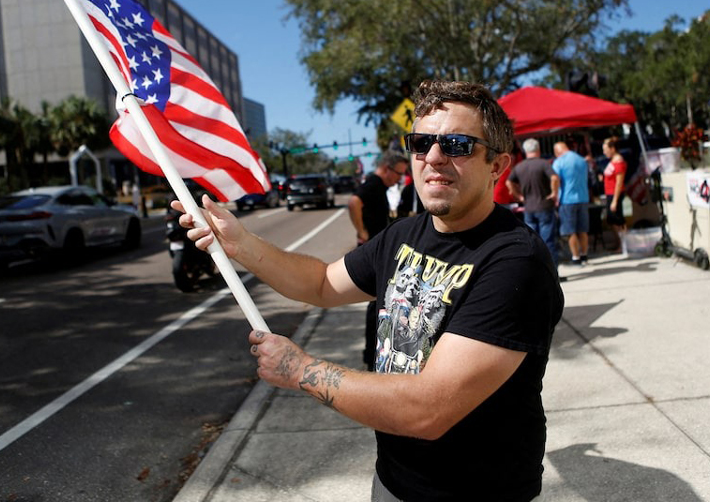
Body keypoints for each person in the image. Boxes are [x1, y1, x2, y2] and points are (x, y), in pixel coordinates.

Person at [175, 80, 564, 501]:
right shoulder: (403, 234)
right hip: (393, 480)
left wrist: (301, 370)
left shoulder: (515, 262)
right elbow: (322, 284)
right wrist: (241, 245)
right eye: (421, 142)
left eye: (457, 144)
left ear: (497, 165)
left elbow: (427, 409)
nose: (433, 158)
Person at [348, 152, 410, 370]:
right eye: (398, 174)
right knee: (376, 304)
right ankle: (371, 355)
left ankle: (375, 352)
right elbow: (354, 203)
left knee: (380, 303)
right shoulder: (374, 184)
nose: (399, 179)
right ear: (386, 168)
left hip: (377, 251)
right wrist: (362, 231)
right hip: (371, 252)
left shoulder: (380, 187)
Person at [507, 138, 560, 267]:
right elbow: (554, 178)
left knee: (532, 243)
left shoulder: (519, 166)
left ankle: (536, 272)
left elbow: (508, 182)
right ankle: (552, 272)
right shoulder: (543, 164)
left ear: (525, 151)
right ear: (538, 150)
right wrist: (554, 193)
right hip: (544, 206)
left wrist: (518, 196)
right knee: (548, 242)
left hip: (528, 208)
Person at [553, 140, 590, 265]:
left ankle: (576, 258)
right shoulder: (581, 160)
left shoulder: (559, 162)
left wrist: (555, 195)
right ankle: (584, 255)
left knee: (570, 231)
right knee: (583, 230)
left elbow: (555, 179)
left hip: (567, 200)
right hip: (583, 198)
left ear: (557, 152)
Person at [602, 136, 628, 252]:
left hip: (615, 194)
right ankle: (619, 243)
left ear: (612, 149)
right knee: (612, 220)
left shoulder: (619, 161)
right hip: (609, 193)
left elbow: (619, 182)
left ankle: (624, 244)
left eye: (606, 150)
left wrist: (615, 200)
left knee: (618, 220)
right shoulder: (612, 161)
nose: (604, 152)